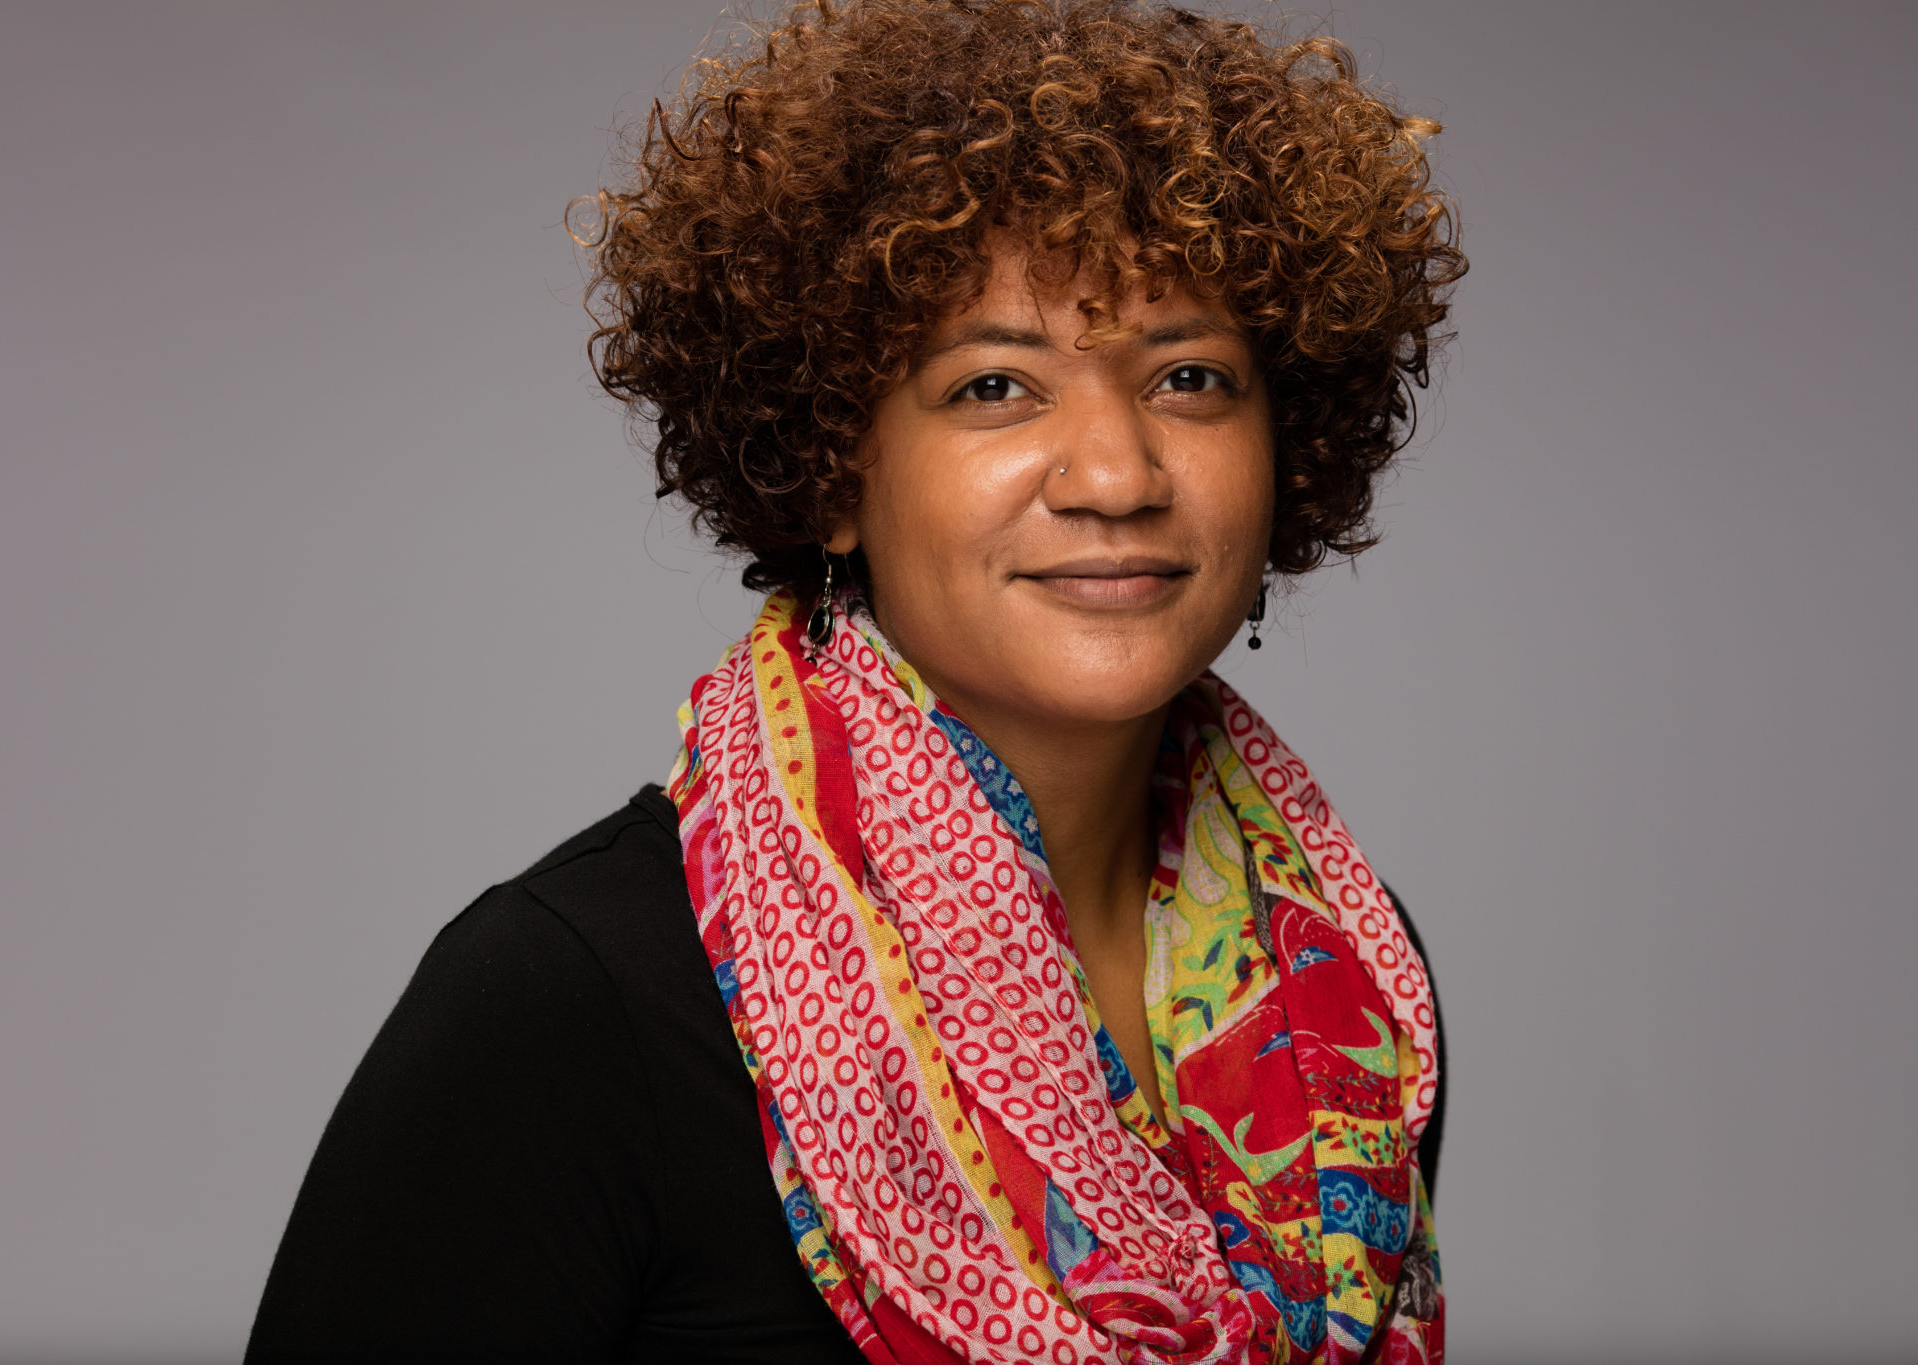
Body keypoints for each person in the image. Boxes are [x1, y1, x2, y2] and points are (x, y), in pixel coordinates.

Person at [245, 1, 1465, 1361]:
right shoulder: (575, 1004)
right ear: (832, 468)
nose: (1117, 474)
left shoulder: (1341, 992)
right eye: (997, 386)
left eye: (1189, 376)